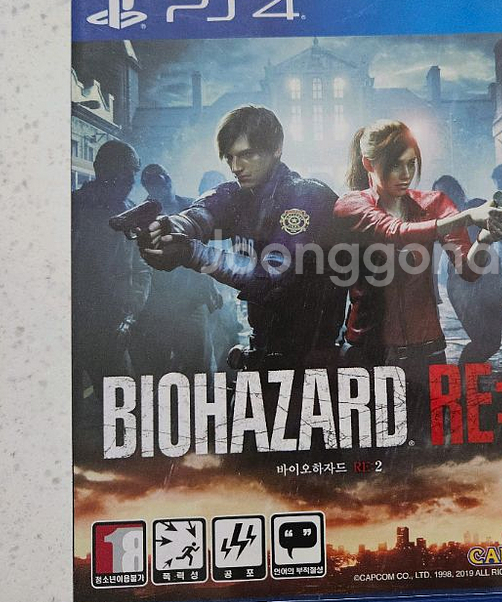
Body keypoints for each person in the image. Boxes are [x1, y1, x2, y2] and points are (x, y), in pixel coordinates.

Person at [139, 106, 345, 367]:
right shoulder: (239, 194)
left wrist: (191, 253)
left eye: (247, 154)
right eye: (229, 157)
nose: (236, 167)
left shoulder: (307, 196)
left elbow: (272, 276)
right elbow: (203, 213)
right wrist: (167, 228)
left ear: (276, 148)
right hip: (264, 351)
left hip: (313, 356)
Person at [333, 120, 502, 397]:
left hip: (426, 353)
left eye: (411, 163)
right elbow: (394, 231)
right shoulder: (352, 205)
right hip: (368, 354)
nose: (405, 174)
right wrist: (467, 217)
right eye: (394, 165)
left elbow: (469, 270)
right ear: (368, 163)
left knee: (428, 425)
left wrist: (484, 239)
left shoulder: (434, 204)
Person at [72, 140, 151, 432]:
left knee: (124, 412)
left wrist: (130, 315)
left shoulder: (132, 213)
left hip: (111, 324)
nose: (130, 179)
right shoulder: (73, 208)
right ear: (101, 170)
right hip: (74, 322)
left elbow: (141, 268)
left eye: (133, 172)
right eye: (124, 171)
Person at [131, 164, 221, 377]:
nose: (162, 183)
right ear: (147, 186)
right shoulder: (140, 217)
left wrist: (210, 285)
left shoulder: (191, 207)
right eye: (155, 181)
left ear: (169, 178)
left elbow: (206, 250)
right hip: (158, 305)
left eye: (163, 177)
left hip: (191, 301)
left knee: (199, 368)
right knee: (158, 369)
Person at [432, 175, 502, 365]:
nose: (445, 198)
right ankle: (463, 377)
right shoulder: (441, 222)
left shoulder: (476, 206)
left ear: (458, 191)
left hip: (489, 277)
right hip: (462, 283)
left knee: (493, 342)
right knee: (484, 341)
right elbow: (430, 254)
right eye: (439, 195)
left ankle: (465, 376)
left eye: (449, 192)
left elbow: (499, 228)